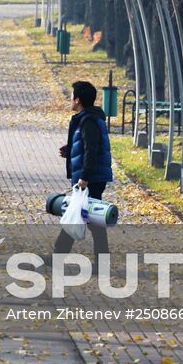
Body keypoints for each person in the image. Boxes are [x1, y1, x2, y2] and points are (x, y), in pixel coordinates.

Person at [57, 80, 114, 266]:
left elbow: (92, 149)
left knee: (90, 219)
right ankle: (59, 256)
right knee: (81, 215)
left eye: (72, 96)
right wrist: (71, 149)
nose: (70, 100)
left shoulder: (88, 121)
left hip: (91, 178)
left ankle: (60, 257)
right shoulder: (88, 118)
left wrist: (84, 177)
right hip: (92, 176)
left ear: (78, 99)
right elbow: (86, 145)